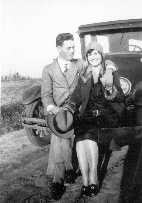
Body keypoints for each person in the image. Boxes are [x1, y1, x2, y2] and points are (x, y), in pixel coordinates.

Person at [41, 34, 117, 200]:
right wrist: (52, 107)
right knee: (60, 132)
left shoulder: (79, 64)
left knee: (70, 133)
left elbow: (99, 59)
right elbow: (45, 95)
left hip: (80, 110)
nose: (73, 50)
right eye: (69, 48)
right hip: (60, 111)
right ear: (59, 49)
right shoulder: (48, 69)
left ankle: (61, 176)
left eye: (74, 47)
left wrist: (110, 70)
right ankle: (60, 177)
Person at [63, 41, 125, 199]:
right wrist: (69, 106)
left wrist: (110, 89)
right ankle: (85, 180)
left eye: (96, 53)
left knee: (89, 138)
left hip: (105, 114)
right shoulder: (85, 75)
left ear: (101, 55)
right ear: (87, 57)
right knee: (80, 140)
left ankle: (93, 178)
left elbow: (120, 97)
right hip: (87, 114)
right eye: (90, 54)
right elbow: (76, 96)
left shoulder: (109, 72)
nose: (93, 57)